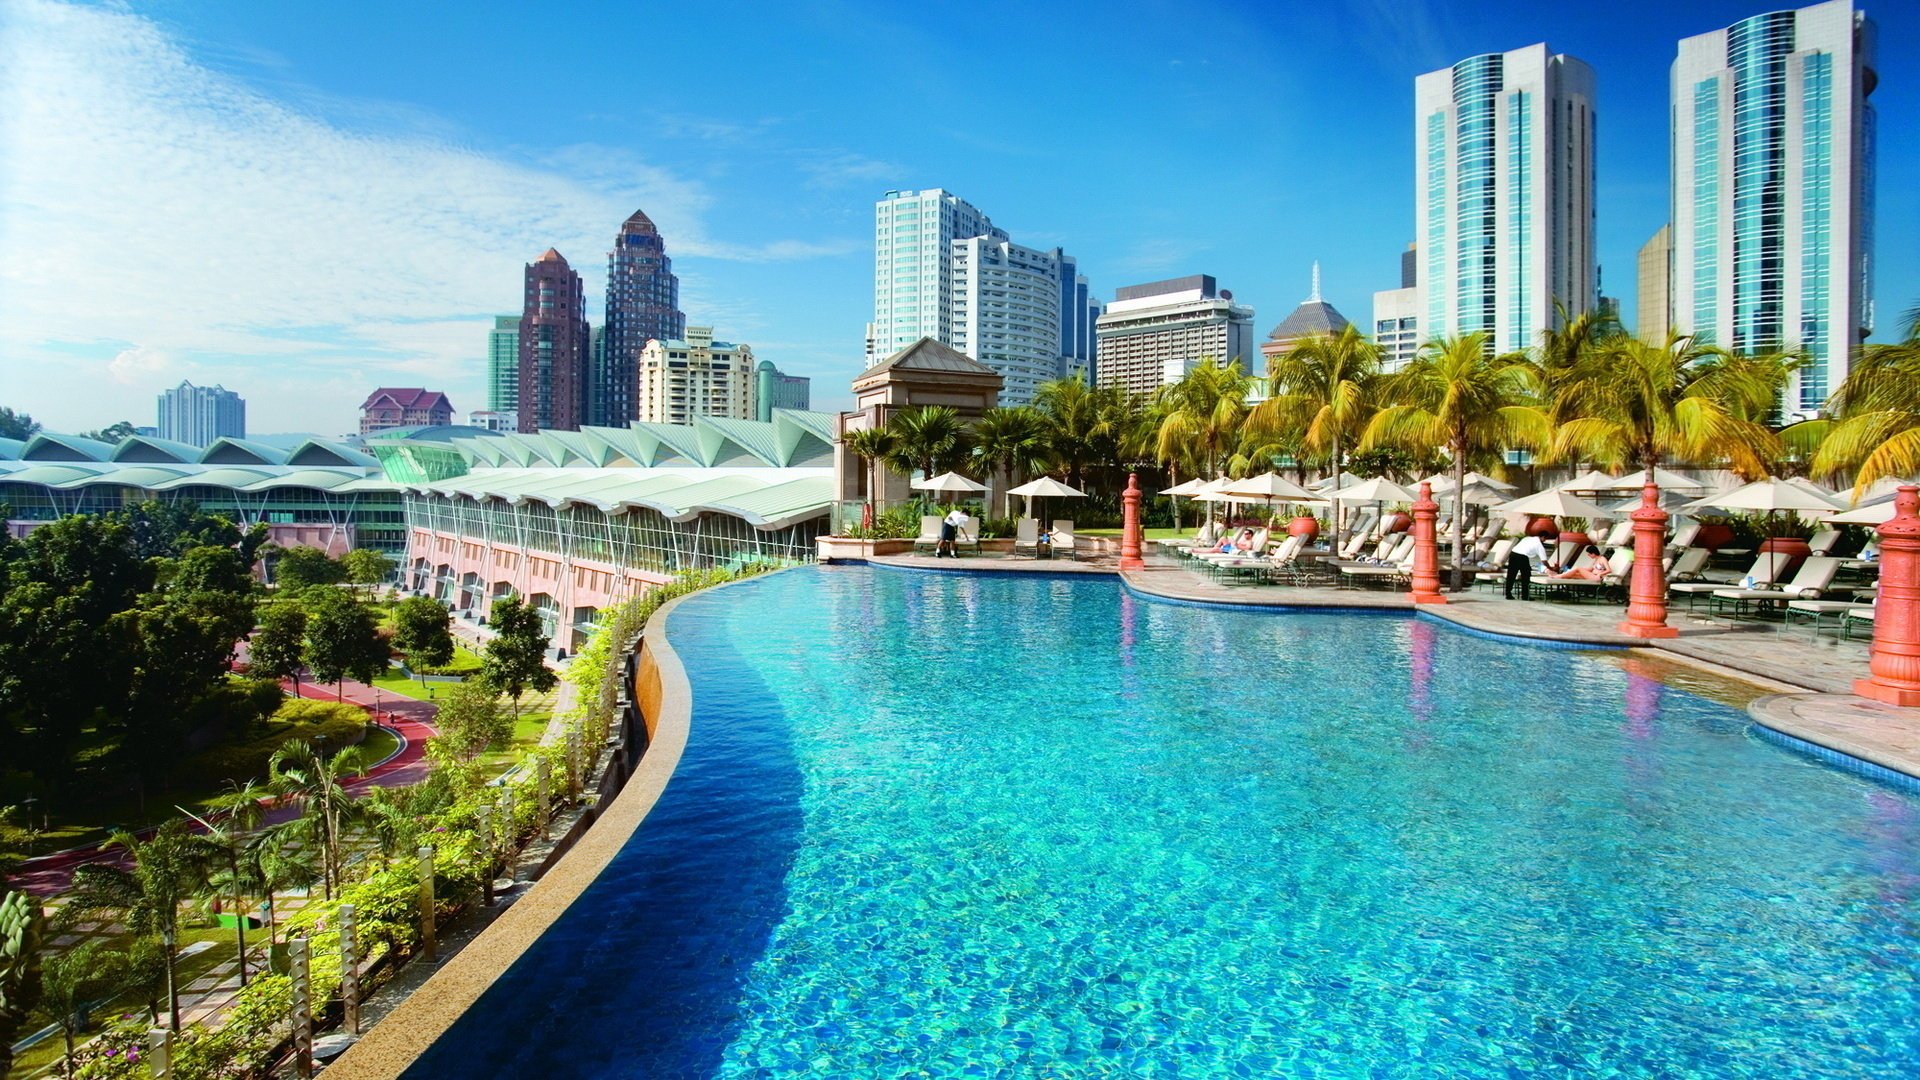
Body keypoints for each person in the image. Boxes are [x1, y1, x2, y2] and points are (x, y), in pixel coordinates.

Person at [1506, 530, 1557, 600]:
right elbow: (1544, 561)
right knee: (1526, 576)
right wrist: (1550, 568)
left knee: (1511, 575)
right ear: (1543, 537)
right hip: (1522, 557)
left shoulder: (1527, 538)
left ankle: (1508, 594)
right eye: (1545, 539)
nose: (1545, 541)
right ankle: (1525, 596)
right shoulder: (1539, 545)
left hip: (1513, 553)